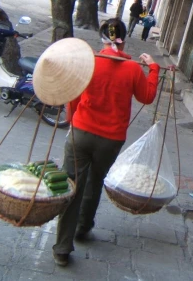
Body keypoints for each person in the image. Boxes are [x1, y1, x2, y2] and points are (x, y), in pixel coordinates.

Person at [52, 18, 160, 267]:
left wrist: (73, 120)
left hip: (81, 133)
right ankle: (82, 227)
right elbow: (147, 96)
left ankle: (62, 248)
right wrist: (152, 68)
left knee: (72, 186)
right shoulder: (133, 69)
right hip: (110, 140)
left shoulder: (90, 62)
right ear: (123, 39)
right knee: (94, 182)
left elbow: (73, 96)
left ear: (103, 38)